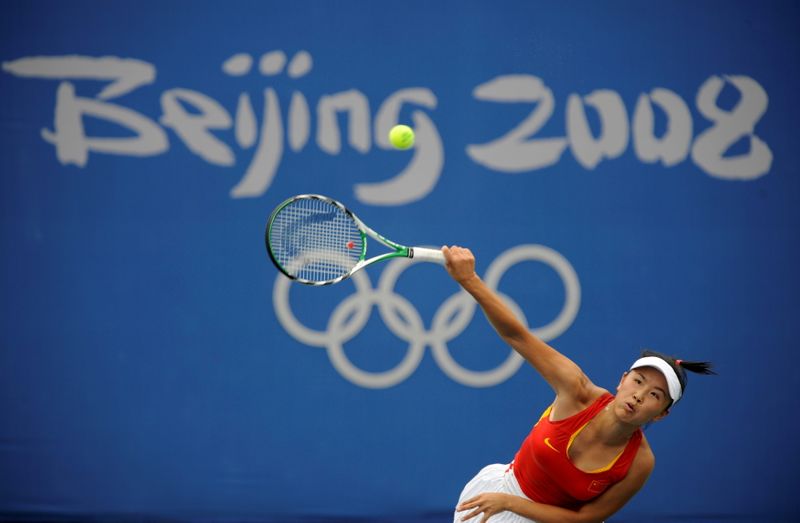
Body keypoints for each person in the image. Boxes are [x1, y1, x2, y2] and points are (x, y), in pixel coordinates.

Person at [441, 246, 715, 523]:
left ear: (661, 413)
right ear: (622, 380)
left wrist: (511, 504)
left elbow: (586, 519)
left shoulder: (640, 463)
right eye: (638, 381)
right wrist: (469, 280)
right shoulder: (577, 389)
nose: (639, 395)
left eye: (655, 394)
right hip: (495, 500)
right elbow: (517, 336)